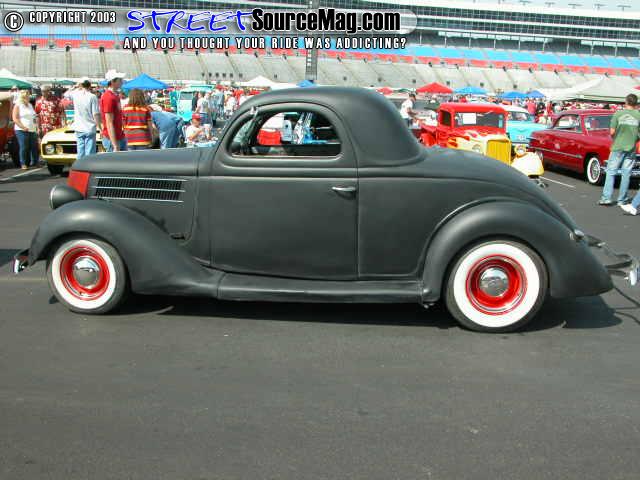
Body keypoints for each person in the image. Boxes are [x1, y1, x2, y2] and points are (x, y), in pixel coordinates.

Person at [598, 93, 640, 206]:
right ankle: (622, 199)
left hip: (617, 147)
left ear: (626, 102)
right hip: (631, 147)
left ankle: (606, 198)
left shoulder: (618, 114)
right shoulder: (638, 115)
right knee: (626, 174)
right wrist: (634, 139)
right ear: (636, 103)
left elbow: (612, 132)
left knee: (611, 172)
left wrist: (617, 138)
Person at [71, 78, 101, 160]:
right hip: (89, 127)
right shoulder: (92, 97)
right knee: (90, 153)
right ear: (90, 85)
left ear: (81, 85)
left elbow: (67, 93)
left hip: (78, 127)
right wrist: (100, 127)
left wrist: (76, 86)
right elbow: (96, 114)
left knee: (80, 152)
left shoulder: (75, 95)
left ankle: (79, 166)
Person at [99, 69, 127, 152]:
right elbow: (109, 122)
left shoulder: (115, 96)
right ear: (112, 82)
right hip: (112, 139)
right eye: (119, 80)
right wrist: (115, 145)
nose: (122, 81)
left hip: (119, 136)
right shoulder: (108, 97)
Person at [12, 90, 39, 170]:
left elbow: (34, 117)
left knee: (34, 147)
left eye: (28, 96)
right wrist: (23, 127)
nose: (28, 97)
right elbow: (15, 118)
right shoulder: (18, 105)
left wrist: (36, 127)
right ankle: (23, 163)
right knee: (24, 147)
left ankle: (35, 162)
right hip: (21, 130)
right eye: (27, 96)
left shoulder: (30, 105)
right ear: (23, 97)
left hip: (32, 129)